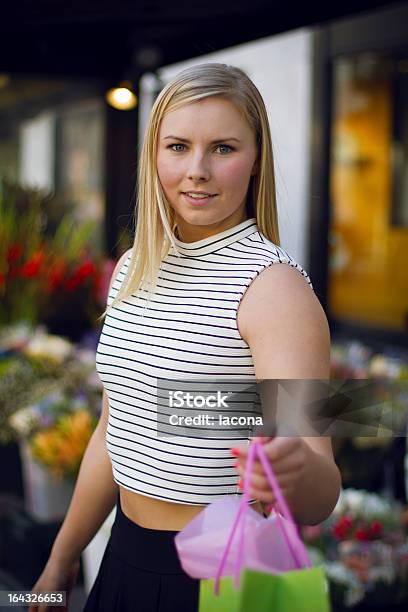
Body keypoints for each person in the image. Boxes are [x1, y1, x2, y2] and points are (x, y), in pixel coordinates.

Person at [29, 62, 341, 612]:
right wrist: (60, 561)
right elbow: (112, 429)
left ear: (256, 160)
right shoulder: (131, 268)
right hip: (120, 555)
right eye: (178, 146)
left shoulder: (274, 290)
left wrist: (295, 468)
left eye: (222, 148)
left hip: (214, 578)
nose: (196, 170)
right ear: (154, 155)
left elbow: (322, 491)